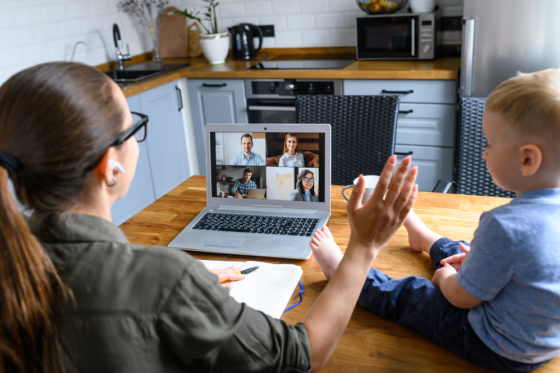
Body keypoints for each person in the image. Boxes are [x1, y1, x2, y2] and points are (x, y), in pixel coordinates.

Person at [0, 61, 418, 373]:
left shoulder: (12, 261)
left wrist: (186, 281)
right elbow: (300, 355)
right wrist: (364, 246)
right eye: (133, 128)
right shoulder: (163, 279)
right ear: (111, 165)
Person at [310, 69, 560, 372]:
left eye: (490, 143)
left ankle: (341, 272)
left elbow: (461, 299)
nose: (483, 153)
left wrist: (446, 281)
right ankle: (424, 236)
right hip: (543, 342)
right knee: (465, 250)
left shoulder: (504, 226)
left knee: (410, 293)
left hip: (495, 345)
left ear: (527, 159)